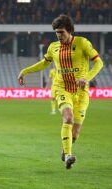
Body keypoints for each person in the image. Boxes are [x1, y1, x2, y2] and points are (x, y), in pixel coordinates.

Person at [17, 15, 103, 169]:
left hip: (81, 92)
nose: (59, 35)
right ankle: (69, 155)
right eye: (56, 32)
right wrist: (25, 71)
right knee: (68, 118)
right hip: (62, 88)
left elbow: (98, 62)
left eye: (61, 32)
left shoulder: (82, 43)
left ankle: (65, 150)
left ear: (69, 31)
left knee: (75, 133)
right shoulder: (53, 47)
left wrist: (86, 77)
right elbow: (44, 63)